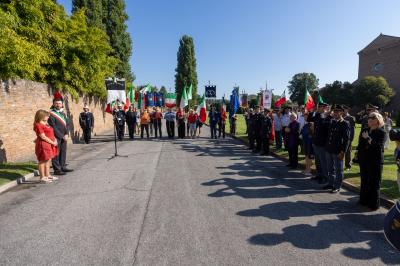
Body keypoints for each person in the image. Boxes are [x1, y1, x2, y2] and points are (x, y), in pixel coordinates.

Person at [357, 112, 385, 210]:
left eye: (373, 118)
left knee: (374, 183)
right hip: (364, 160)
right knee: (364, 181)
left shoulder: (381, 132)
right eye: (369, 118)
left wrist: (368, 138)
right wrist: (358, 157)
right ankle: (363, 200)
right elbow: (360, 145)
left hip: (375, 161)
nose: (370, 120)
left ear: (378, 120)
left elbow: (379, 147)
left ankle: (373, 204)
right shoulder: (365, 130)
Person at [323, 105, 350, 193]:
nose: (335, 113)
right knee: (330, 168)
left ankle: (337, 186)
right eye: (334, 111)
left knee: (339, 170)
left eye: (337, 111)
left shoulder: (345, 123)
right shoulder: (331, 121)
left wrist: (343, 151)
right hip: (329, 149)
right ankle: (330, 183)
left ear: (341, 112)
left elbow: (346, 139)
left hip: (338, 150)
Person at [48, 93, 73, 176]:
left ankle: (62, 166)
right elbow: (53, 127)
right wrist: (61, 136)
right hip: (56, 136)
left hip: (64, 136)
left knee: (63, 152)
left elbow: (67, 124)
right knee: (56, 153)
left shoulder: (63, 113)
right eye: (56, 103)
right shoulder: (51, 114)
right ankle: (57, 169)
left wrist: (66, 134)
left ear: (62, 104)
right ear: (53, 104)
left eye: (59, 103)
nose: (58, 105)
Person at [34, 110, 58, 183]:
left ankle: (48, 175)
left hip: (49, 144)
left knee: (48, 159)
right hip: (43, 144)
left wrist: (55, 140)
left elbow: (50, 133)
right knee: (42, 160)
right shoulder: (38, 125)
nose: (48, 117)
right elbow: (42, 136)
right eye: (47, 115)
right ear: (41, 116)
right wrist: (53, 142)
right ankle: (42, 177)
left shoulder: (45, 123)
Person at [309, 103, 330, 184]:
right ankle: (319, 175)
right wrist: (312, 111)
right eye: (318, 107)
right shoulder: (317, 115)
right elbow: (310, 119)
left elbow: (325, 127)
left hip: (322, 143)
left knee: (323, 162)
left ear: (325, 108)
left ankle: (325, 177)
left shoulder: (328, 117)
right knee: (317, 161)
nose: (319, 108)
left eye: (320, 107)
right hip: (316, 141)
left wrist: (324, 116)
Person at [343, 105, 356, 170]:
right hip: (340, 138)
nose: (343, 111)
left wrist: (351, 139)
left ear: (347, 110)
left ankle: (348, 165)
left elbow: (352, 129)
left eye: (345, 109)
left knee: (348, 152)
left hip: (348, 138)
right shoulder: (341, 117)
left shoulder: (351, 118)